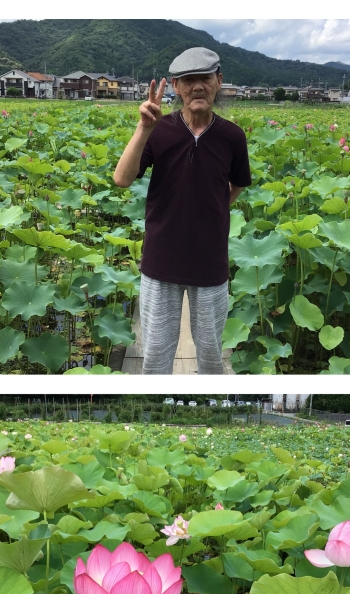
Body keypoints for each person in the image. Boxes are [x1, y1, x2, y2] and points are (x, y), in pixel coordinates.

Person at [114, 47, 251, 374]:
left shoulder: (232, 137)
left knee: (210, 355)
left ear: (218, 81)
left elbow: (239, 184)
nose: (197, 87)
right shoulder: (159, 130)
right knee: (156, 356)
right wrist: (143, 128)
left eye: (204, 78)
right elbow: (122, 178)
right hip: (160, 262)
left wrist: (214, 211)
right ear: (176, 86)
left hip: (210, 264)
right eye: (188, 81)